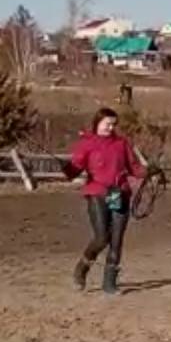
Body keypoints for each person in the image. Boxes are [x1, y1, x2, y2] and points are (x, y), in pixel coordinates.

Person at [61, 107, 150, 294]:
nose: (110, 127)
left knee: (116, 239)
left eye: (113, 124)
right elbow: (75, 169)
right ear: (97, 123)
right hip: (97, 192)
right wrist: (67, 169)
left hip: (117, 192)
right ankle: (82, 267)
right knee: (102, 237)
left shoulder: (121, 143)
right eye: (107, 124)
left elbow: (134, 168)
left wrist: (149, 171)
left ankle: (109, 282)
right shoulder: (87, 144)